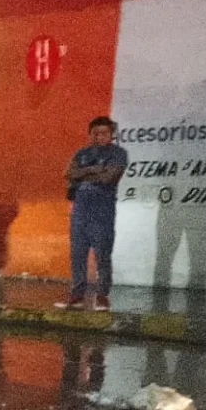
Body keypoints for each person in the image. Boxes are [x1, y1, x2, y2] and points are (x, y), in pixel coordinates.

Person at [58, 116, 127, 311]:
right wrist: (93, 169)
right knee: (77, 253)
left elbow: (109, 177)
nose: (100, 137)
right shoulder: (82, 153)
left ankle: (102, 295)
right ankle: (77, 294)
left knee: (102, 254)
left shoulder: (118, 154)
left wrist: (84, 174)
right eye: (95, 133)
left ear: (111, 134)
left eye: (104, 133)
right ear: (90, 134)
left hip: (102, 210)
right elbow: (68, 173)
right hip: (80, 209)